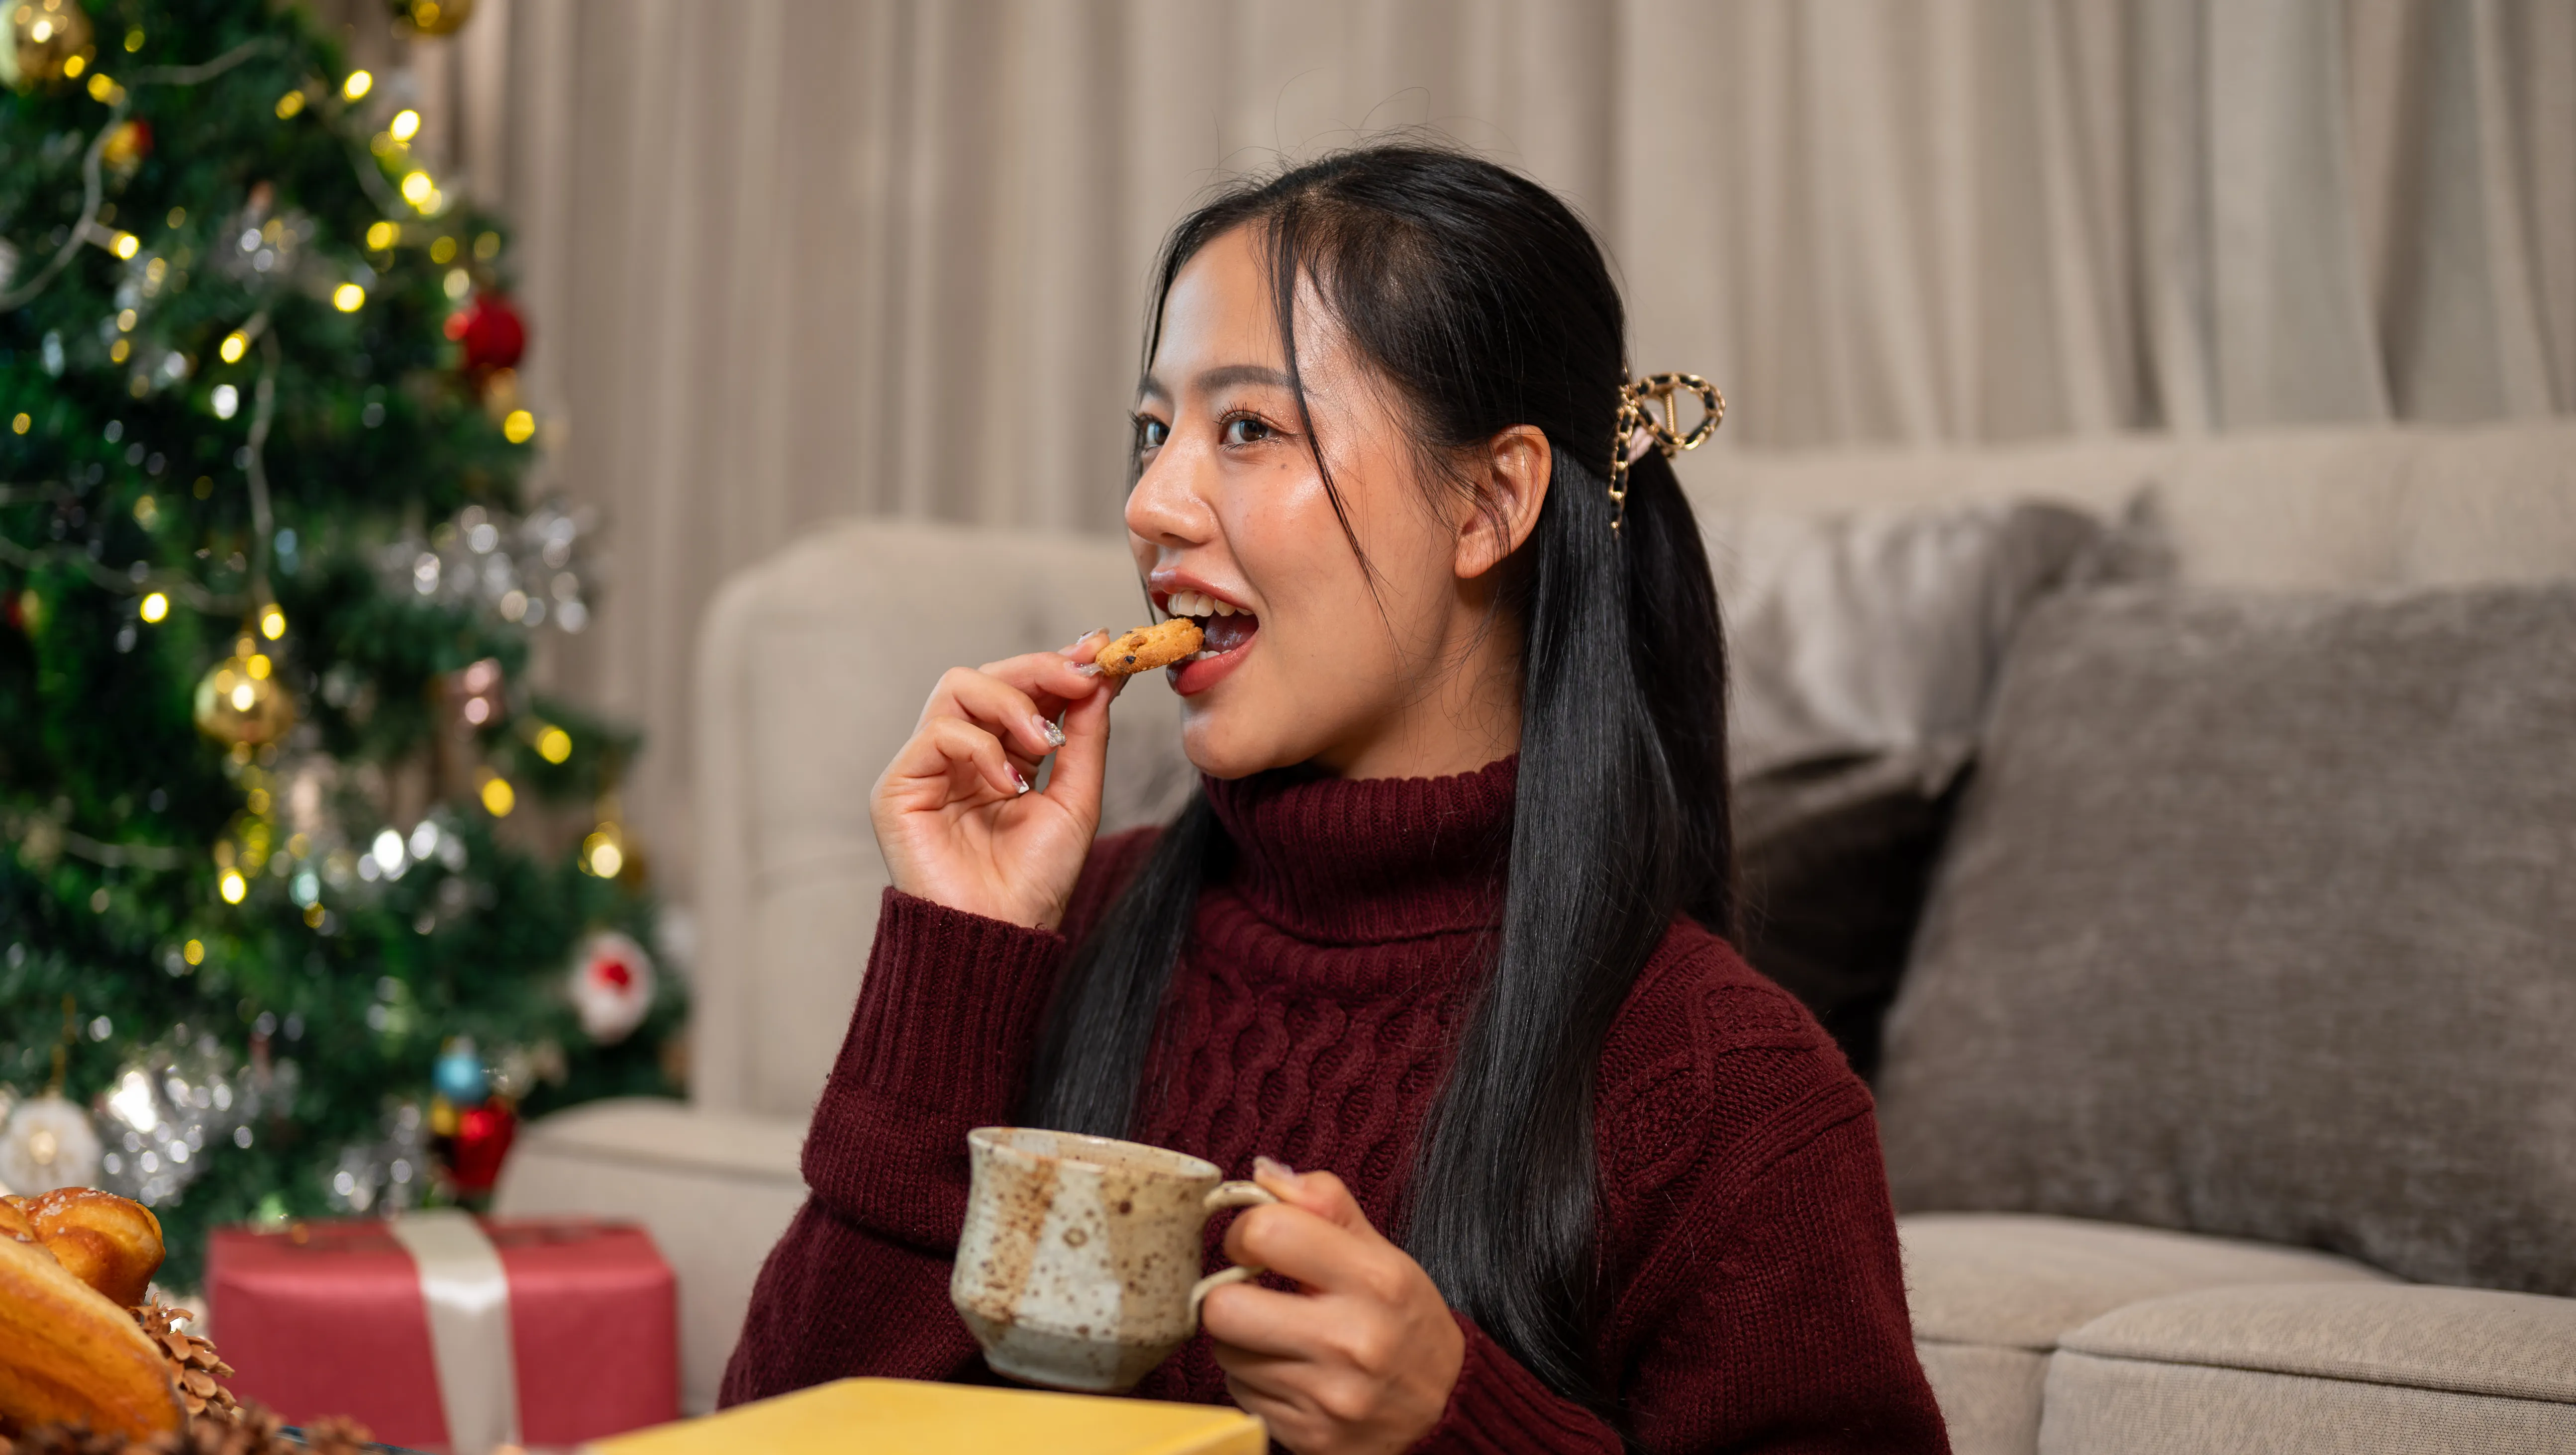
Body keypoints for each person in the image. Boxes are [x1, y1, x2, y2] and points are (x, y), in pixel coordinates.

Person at [721, 145, 1949, 1455]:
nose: (1150, 504)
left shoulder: (1724, 1086)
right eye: (1154, 430)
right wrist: (957, 957)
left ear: (1488, 502)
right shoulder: (1068, 934)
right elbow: (777, 1434)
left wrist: (1457, 1419)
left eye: (1248, 427)